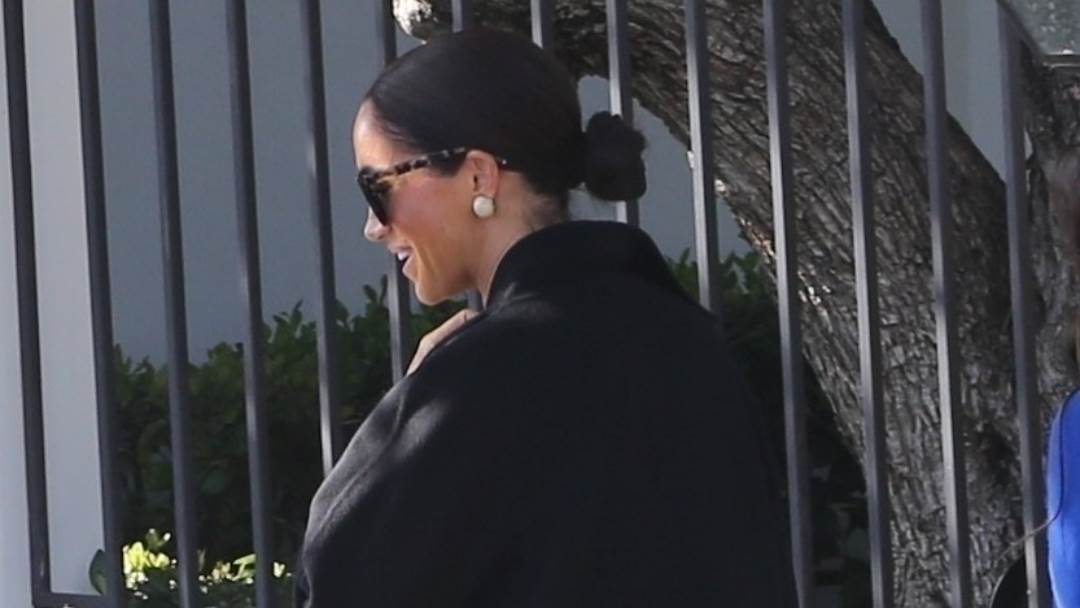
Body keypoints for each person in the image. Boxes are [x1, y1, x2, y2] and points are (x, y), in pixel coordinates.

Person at [293, 27, 796, 607]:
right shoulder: (688, 339)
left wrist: (407, 410)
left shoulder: (479, 379)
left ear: (478, 175)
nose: (374, 227)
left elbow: (336, 584)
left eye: (378, 188)